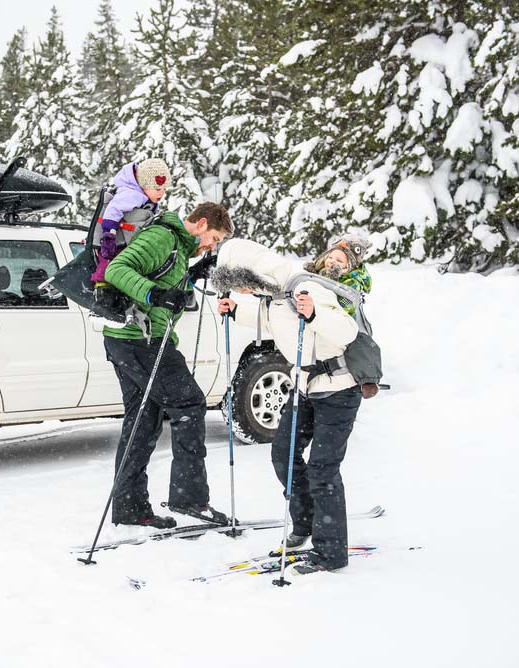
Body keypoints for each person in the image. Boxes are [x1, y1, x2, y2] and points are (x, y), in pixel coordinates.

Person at [214, 238, 362, 573]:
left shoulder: (309, 288)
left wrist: (314, 315)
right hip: (305, 388)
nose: (244, 291)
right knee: (283, 453)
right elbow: (273, 322)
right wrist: (236, 311)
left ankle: (331, 552)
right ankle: (306, 524)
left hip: (338, 390)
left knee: (323, 470)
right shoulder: (276, 296)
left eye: (245, 286)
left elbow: (346, 332)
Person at [103, 202, 233, 529]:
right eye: (214, 238)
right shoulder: (163, 236)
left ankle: (130, 507)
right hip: (141, 339)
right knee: (189, 402)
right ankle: (190, 499)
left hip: (130, 339)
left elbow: (166, 289)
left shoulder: (178, 247)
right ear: (201, 224)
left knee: (142, 421)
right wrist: (154, 297)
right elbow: (116, 271)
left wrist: (191, 276)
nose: (212, 245)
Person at [90, 158, 171, 285]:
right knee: (109, 264)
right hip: (115, 242)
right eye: (157, 188)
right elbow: (113, 210)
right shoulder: (132, 194)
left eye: (164, 188)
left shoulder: (144, 197)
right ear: (144, 184)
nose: (162, 192)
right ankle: (102, 285)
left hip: (124, 241)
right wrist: (109, 235)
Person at [303, 233, 373, 317]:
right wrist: (313, 273)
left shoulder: (352, 282)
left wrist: (332, 279)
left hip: (339, 321)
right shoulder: (322, 272)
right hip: (313, 312)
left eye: (339, 261)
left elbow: (345, 309)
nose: (332, 261)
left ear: (348, 267)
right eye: (330, 257)